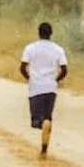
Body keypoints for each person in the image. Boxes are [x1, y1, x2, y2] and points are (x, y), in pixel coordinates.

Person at [20, 22, 68, 159]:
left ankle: (42, 124)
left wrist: (29, 78)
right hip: (51, 88)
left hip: (35, 88)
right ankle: (44, 149)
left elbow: (23, 67)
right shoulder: (58, 49)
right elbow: (64, 70)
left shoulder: (30, 48)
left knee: (36, 122)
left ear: (38, 32)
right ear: (51, 33)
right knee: (48, 117)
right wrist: (56, 80)